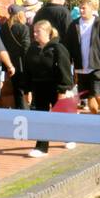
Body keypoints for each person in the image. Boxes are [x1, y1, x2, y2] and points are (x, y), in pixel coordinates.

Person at [23, 19, 74, 157]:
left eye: (37, 31)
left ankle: (69, 136)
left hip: (55, 87)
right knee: (41, 117)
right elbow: (27, 70)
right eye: (33, 31)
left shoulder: (57, 48)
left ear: (47, 32)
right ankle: (41, 147)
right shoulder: (32, 49)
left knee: (61, 115)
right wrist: (26, 90)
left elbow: (65, 70)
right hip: (38, 87)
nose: (34, 34)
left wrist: (63, 90)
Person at [64, 0, 100, 115]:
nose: (81, 11)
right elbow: (68, 45)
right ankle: (94, 116)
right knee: (89, 96)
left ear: (92, 9)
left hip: (97, 65)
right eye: (80, 8)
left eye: (84, 8)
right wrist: (69, 62)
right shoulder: (74, 25)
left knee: (98, 93)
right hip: (81, 67)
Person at [2, 4, 31, 110]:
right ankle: (26, 111)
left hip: (10, 62)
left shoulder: (4, 27)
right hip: (22, 63)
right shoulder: (23, 27)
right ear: (20, 14)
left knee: (16, 89)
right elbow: (26, 48)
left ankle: (19, 109)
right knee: (24, 89)